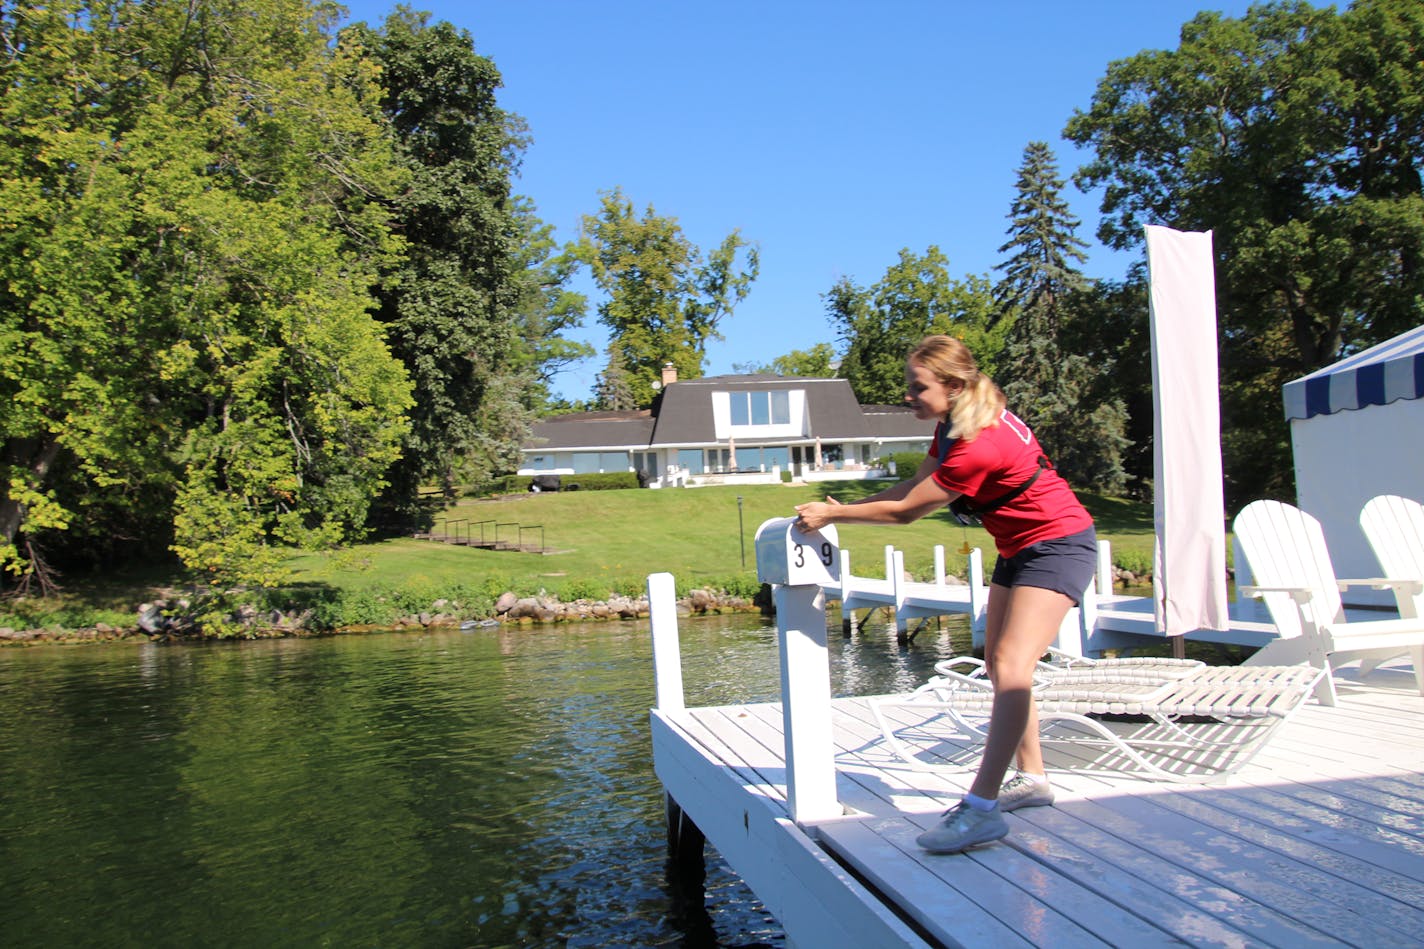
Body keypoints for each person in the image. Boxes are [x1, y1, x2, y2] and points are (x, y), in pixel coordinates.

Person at [793, 335, 1096, 854]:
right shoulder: (957, 424)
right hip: (1020, 547)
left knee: (1011, 662)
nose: (908, 395)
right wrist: (844, 504)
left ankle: (980, 810)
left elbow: (909, 511)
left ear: (953, 385)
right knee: (1002, 668)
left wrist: (835, 513)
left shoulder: (981, 443)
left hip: (1059, 546)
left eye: (917, 387)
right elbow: (912, 487)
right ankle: (1034, 778)